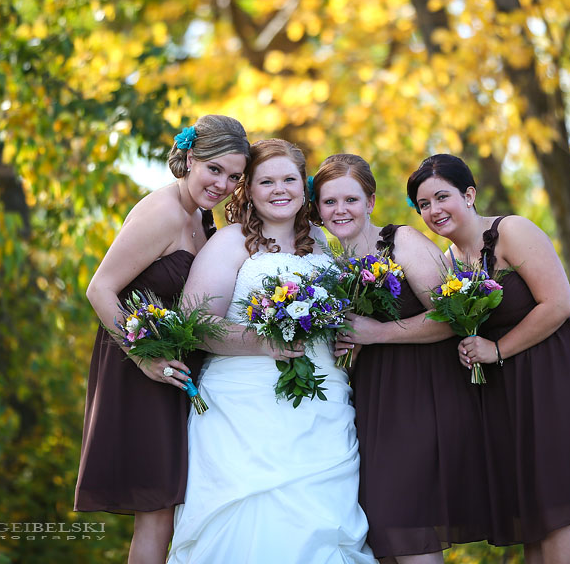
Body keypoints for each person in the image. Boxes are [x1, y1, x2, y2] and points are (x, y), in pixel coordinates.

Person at [406, 154, 570, 564]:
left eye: (442, 197)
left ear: (470, 194)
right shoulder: (447, 264)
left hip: (555, 373)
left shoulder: (511, 231)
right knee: (533, 507)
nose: (433, 210)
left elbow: (558, 304)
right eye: (423, 204)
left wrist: (495, 350)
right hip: (505, 389)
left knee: (557, 498)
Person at [167, 139, 374, 564]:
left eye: (289, 179)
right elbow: (193, 325)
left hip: (324, 406)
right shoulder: (230, 243)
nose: (279, 190)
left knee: (323, 520)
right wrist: (264, 342)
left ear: (304, 185)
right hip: (244, 409)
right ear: (249, 189)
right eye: (266, 181)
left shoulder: (326, 243)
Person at [75, 115, 250, 563]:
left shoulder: (200, 217)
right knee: (156, 510)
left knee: (169, 506)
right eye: (215, 170)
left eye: (234, 176)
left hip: (173, 370)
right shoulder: (163, 210)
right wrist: (143, 359)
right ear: (190, 157)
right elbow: (100, 289)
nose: (223, 184)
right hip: (140, 369)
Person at [311, 154, 490, 563]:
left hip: (420, 401)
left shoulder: (401, 241)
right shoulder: (327, 267)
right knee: (382, 536)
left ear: (370, 202)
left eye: (351, 200)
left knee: (406, 527)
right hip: (370, 403)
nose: (341, 210)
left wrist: (376, 334)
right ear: (317, 210)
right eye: (329, 202)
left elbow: (453, 318)